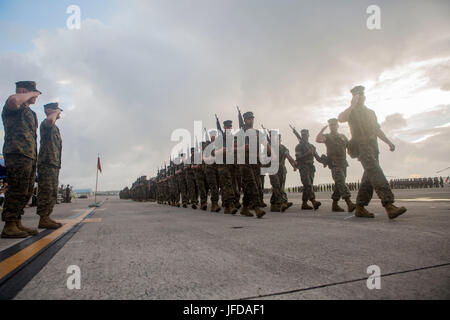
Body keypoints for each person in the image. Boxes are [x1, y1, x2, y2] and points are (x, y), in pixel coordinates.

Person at [338, 85, 406, 219]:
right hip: (361, 146)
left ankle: (360, 207)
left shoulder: (371, 113)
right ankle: (389, 205)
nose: (360, 97)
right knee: (375, 172)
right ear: (354, 97)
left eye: (362, 95)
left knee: (368, 178)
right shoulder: (352, 111)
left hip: (373, 146)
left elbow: (376, 129)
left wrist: (388, 142)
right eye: (357, 95)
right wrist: (352, 105)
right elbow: (341, 118)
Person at [1, 81, 41, 238]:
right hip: (17, 152)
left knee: (26, 190)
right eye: (34, 92)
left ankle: (17, 222)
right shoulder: (13, 103)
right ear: (24, 91)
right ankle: (9, 225)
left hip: (29, 154)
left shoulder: (29, 111)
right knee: (17, 188)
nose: (36, 96)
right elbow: (13, 101)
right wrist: (29, 94)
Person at [316, 118, 356, 212]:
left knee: (339, 184)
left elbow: (349, 147)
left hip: (343, 162)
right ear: (329, 127)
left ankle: (335, 205)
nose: (333, 126)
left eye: (334, 125)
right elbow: (317, 139)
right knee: (341, 181)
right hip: (334, 163)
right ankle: (349, 202)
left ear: (337, 126)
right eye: (331, 125)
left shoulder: (343, 136)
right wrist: (322, 130)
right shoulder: (327, 137)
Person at [36, 103, 64, 228]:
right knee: (46, 190)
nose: (59, 113)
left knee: (52, 191)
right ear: (50, 110)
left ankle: (47, 217)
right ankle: (43, 218)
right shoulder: (46, 123)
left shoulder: (55, 128)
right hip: (46, 162)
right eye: (58, 111)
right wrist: (54, 112)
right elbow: (49, 119)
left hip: (53, 163)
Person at [236, 111, 267, 218]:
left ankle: (244, 208)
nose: (251, 120)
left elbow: (264, 144)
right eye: (249, 119)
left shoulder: (257, 133)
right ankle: (257, 209)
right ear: (244, 120)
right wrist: (243, 148)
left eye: (252, 118)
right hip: (244, 163)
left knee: (255, 185)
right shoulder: (240, 134)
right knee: (252, 184)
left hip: (256, 163)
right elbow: (232, 149)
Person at [268, 131, 297, 212]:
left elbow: (288, 157)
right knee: (276, 186)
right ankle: (283, 202)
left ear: (280, 139)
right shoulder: (269, 148)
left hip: (282, 169)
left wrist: (293, 165)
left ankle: (274, 205)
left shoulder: (283, 148)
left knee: (280, 187)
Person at [294, 129, 322, 210]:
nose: (304, 137)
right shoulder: (299, 146)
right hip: (303, 166)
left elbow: (317, 157)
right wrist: (307, 153)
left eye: (306, 135)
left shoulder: (312, 146)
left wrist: (324, 161)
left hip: (311, 167)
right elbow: (298, 157)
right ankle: (313, 201)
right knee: (308, 184)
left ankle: (304, 203)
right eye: (303, 135)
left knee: (308, 186)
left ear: (308, 136)